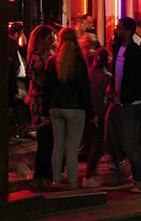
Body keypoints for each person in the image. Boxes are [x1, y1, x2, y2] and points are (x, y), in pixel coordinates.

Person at [43, 28, 94, 187]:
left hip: (56, 106)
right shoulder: (79, 62)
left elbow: (47, 88)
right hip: (75, 108)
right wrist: (91, 112)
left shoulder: (52, 61)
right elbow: (84, 88)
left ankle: (56, 179)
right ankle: (72, 181)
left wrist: (46, 110)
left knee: (58, 146)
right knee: (72, 148)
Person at [106, 17, 141, 193]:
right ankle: (121, 168)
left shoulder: (136, 53)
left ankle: (139, 180)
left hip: (130, 103)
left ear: (128, 31)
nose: (116, 30)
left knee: (129, 142)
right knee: (110, 136)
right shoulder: (118, 49)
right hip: (117, 101)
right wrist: (112, 89)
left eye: (119, 28)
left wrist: (127, 96)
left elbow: (138, 79)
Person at [26, 25, 56, 183]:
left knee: (48, 139)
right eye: (50, 39)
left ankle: (44, 173)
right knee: (45, 138)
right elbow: (41, 80)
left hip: (43, 100)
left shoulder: (46, 56)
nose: (52, 42)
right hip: (40, 102)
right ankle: (42, 174)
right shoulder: (37, 58)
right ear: (41, 40)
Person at [83, 48, 112, 187]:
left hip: (87, 112)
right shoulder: (106, 76)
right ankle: (90, 174)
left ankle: (90, 172)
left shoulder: (88, 73)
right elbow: (104, 97)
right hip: (99, 113)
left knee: (89, 143)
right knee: (98, 144)